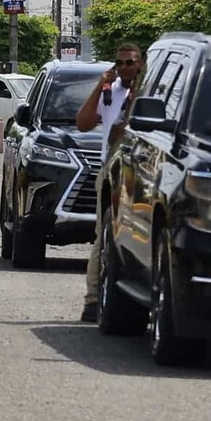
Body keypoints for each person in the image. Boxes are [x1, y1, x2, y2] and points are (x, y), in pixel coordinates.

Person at [74, 42, 144, 323]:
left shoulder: (150, 94)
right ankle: (93, 300)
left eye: (130, 62)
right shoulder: (109, 94)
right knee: (104, 236)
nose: (125, 68)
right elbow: (83, 123)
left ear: (140, 64)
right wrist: (100, 84)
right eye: (120, 63)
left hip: (142, 172)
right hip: (112, 171)